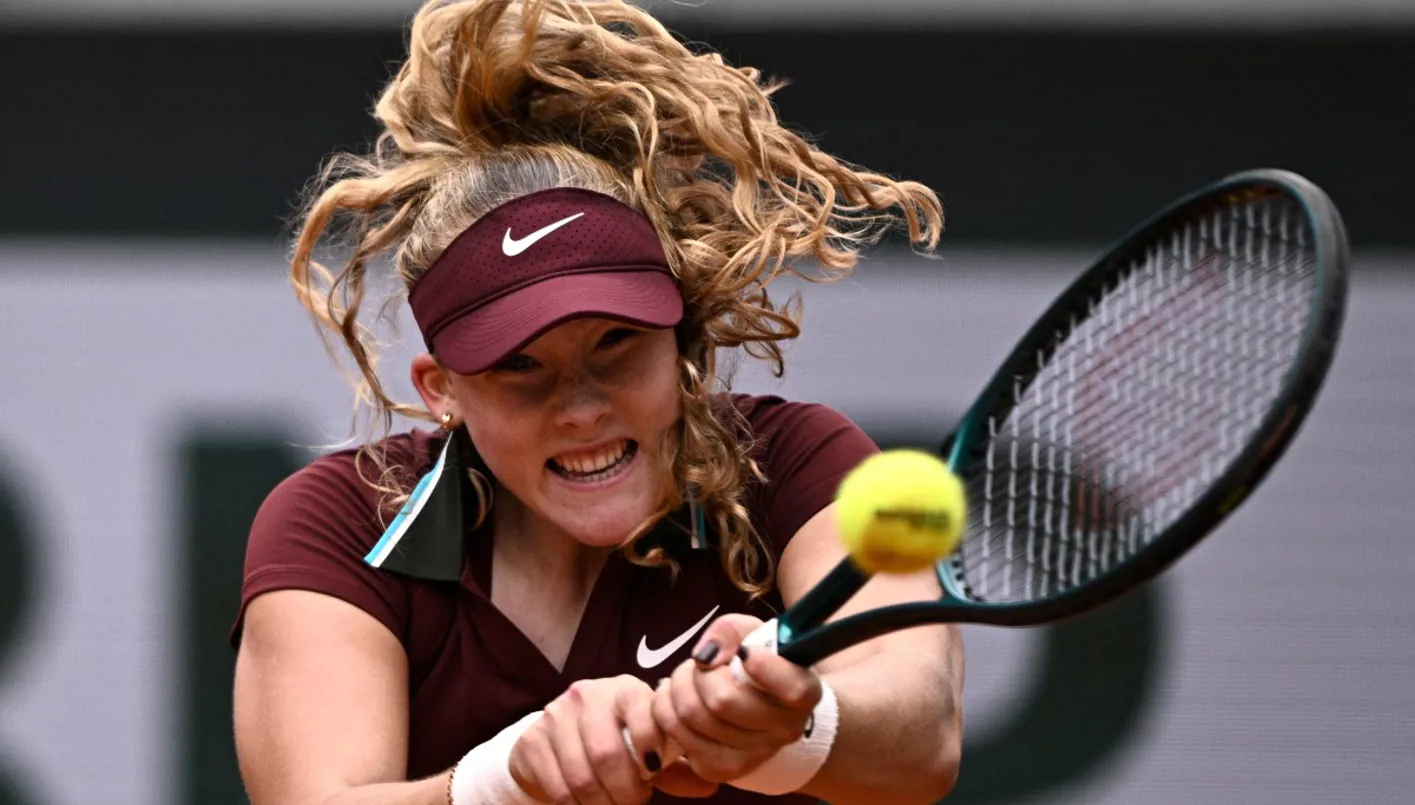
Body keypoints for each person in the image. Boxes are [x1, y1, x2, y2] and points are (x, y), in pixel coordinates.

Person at [229, 1, 963, 804]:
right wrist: (508, 778)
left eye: (615, 342)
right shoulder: (338, 523)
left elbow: (922, 732)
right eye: (519, 364)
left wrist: (790, 725)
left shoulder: (794, 465)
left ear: (679, 337)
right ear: (443, 390)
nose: (580, 407)